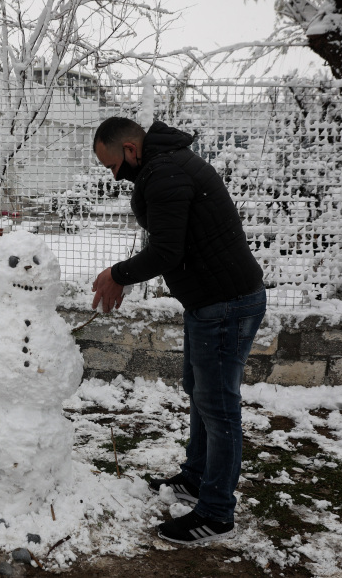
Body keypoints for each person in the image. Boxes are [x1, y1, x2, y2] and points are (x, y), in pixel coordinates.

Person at [91, 117, 266, 545]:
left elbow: (167, 251)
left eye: (113, 165)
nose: (113, 175)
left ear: (131, 148)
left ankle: (217, 512)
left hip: (224, 304)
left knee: (218, 405)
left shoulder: (166, 171)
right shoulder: (165, 164)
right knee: (199, 390)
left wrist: (118, 274)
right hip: (210, 301)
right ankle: (196, 476)